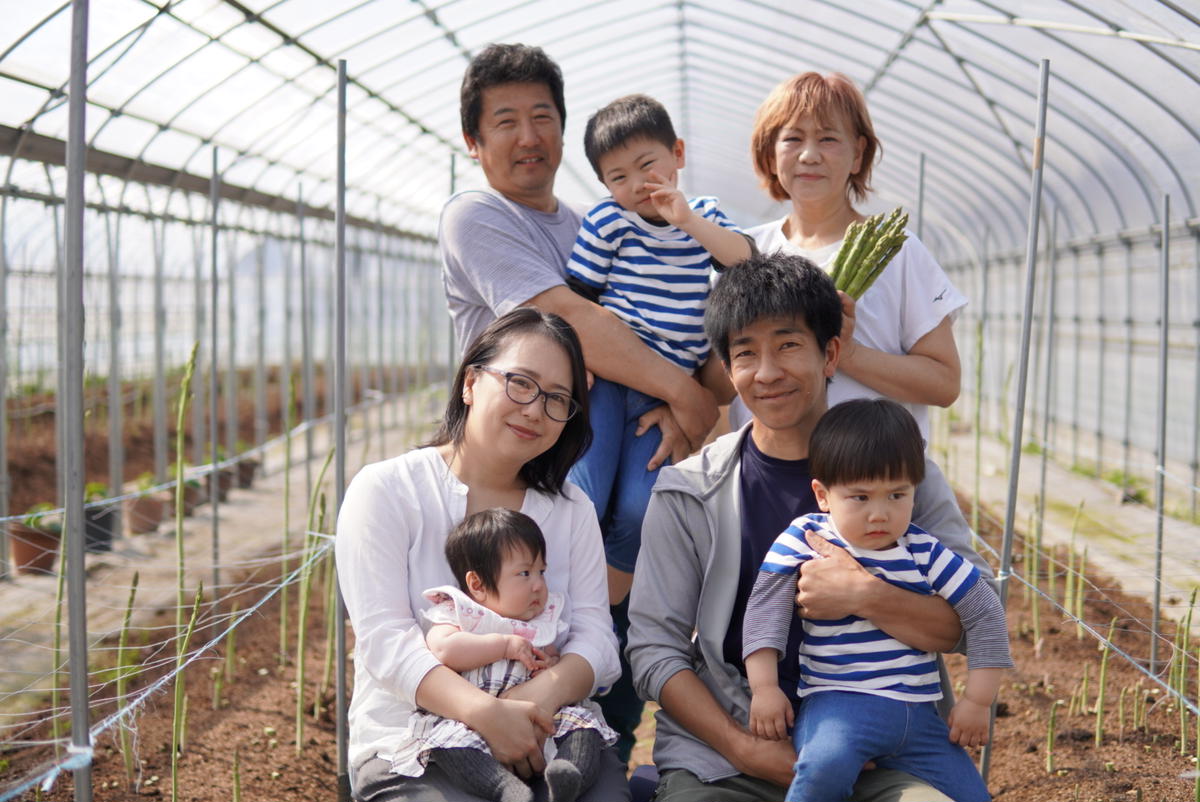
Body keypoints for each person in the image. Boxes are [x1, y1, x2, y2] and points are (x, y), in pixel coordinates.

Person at [627, 251, 993, 802]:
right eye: (746, 353)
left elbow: (973, 619)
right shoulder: (688, 491)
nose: (768, 372)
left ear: (831, 354)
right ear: (728, 370)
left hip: (885, 747)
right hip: (732, 753)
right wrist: (744, 748)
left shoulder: (901, 475)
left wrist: (864, 594)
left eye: (789, 345)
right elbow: (654, 648)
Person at [337, 307, 630, 802]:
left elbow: (597, 639)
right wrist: (487, 714)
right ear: (471, 382)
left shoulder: (569, 508)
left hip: (549, 731)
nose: (535, 409)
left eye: (558, 399)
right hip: (415, 742)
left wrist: (536, 697)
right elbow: (386, 642)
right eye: (521, 383)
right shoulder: (388, 490)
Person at [439, 44, 719, 481]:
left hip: (598, 438)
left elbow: (663, 313)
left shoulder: (597, 223)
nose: (529, 137)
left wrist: (664, 403)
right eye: (506, 122)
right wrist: (683, 391)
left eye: (542, 117)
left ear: (563, 130)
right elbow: (569, 319)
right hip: (515, 460)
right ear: (473, 142)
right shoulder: (476, 214)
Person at [743, 399, 1011, 802]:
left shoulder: (924, 550)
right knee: (822, 768)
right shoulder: (806, 538)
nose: (880, 515)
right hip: (837, 704)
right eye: (861, 498)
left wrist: (977, 701)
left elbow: (985, 611)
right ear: (823, 494)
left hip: (920, 717)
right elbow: (765, 609)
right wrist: (764, 688)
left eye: (896, 495)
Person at [566, 93, 748, 607]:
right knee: (583, 495)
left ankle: (604, 604)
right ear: (603, 185)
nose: (636, 184)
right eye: (618, 177)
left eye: (648, 165)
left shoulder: (706, 217)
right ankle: (558, 604)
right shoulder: (607, 222)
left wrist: (688, 220)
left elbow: (744, 260)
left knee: (639, 509)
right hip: (608, 379)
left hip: (660, 397)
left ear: (678, 155)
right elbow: (579, 300)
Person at [729, 71, 966, 443]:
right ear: (769, 154)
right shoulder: (744, 252)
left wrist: (846, 350)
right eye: (792, 138)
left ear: (858, 154)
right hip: (767, 481)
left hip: (871, 487)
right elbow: (717, 377)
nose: (809, 155)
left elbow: (944, 383)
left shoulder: (898, 253)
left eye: (828, 138)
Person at [401, 508, 617, 802]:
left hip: (542, 719)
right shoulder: (462, 613)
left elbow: (553, 656)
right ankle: (504, 788)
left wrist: (550, 663)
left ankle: (569, 774)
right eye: (524, 573)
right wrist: (503, 645)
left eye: (542, 571)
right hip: (472, 722)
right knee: (450, 744)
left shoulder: (539, 621)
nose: (539, 584)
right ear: (477, 585)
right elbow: (443, 649)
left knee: (582, 725)